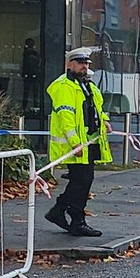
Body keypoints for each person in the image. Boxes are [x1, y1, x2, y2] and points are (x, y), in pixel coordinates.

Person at [44, 48, 112, 237]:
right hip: (74, 145)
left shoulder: (86, 85)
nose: (84, 67)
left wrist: (104, 120)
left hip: (89, 142)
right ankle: (76, 221)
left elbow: (96, 106)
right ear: (70, 64)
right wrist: (75, 144)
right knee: (82, 182)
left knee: (80, 182)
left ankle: (59, 212)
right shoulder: (64, 87)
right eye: (81, 63)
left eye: (86, 64)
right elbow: (66, 117)